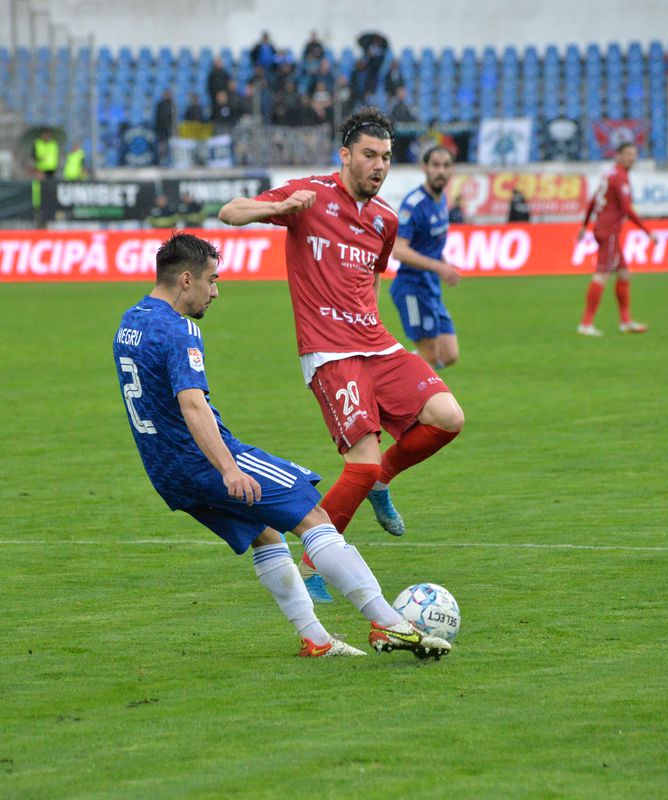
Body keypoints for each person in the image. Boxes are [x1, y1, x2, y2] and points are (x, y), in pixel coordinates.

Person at [113, 232, 452, 659]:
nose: (215, 292)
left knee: (265, 531)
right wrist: (229, 469)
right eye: (211, 280)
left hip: (165, 470)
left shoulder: (130, 321)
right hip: (205, 458)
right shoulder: (180, 329)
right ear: (185, 280)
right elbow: (192, 405)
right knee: (314, 516)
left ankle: (318, 640)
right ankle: (391, 624)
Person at [218, 108, 466, 599]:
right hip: (330, 352)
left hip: (376, 344)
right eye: (370, 155)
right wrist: (281, 208)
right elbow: (230, 212)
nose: (379, 165)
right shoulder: (308, 194)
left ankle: (382, 483)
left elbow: (372, 278)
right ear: (346, 156)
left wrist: (371, 321)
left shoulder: (385, 218)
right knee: (362, 464)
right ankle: (314, 561)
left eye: (386, 157)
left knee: (448, 416)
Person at [390, 145, 462, 370]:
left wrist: (444, 263)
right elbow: (399, 250)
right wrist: (438, 267)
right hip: (412, 288)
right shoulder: (414, 204)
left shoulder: (441, 200)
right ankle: (394, 381)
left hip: (431, 287)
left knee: (449, 354)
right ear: (424, 168)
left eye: (446, 166)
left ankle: (396, 373)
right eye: (436, 165)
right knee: (430, 356)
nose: (441, 171)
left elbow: (431, 243)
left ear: (452, 170)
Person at [576, 142, 657, 336]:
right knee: (602, 274)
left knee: (624, 274)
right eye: (628, 154)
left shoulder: (609, 174)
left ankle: (626, 322)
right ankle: (586, 324)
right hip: (609, 231)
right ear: (618, 156)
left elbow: (593, 200)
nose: (632, 158)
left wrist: (584, 225)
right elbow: (627, 209)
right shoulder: (620, 176)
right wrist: (648, 231)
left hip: (603, 228)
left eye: (634, 154)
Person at [154, 89, 175, 165]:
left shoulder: (172, 104)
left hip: (169, 129)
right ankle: (162, 161)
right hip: (161, 129)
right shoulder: (160, 104)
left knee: (170, 145)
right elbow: (158, 117)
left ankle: (169, 161)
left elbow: (173, 118)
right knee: (161, 146)